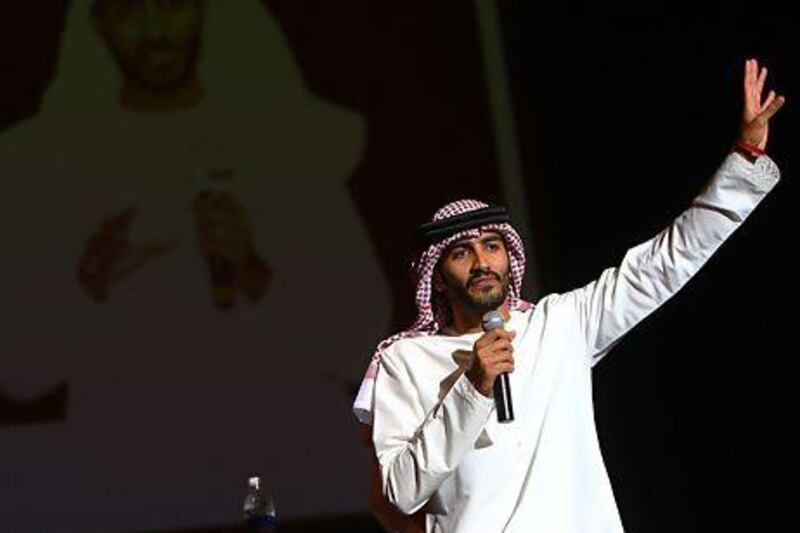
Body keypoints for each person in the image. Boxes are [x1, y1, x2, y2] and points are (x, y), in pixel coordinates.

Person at [0, 0, 390, 529]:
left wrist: (256, 273)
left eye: (173, 6)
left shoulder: (282, 139)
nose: (156, 31)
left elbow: (361, 344)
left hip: (287, 479)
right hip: (131, 485)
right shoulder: (52, 156)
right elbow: (18, 370)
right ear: (97, 23)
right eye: (130, 11)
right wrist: (91, 280)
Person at [353, 58, 785, 532]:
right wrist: (472, 387)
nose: (481, 262)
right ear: (437, 275)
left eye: (492, 246)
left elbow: (664, 263)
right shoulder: (405, 361)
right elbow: (400, 492)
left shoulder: (560, 324)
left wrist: (743, 159)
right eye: (462, 252)